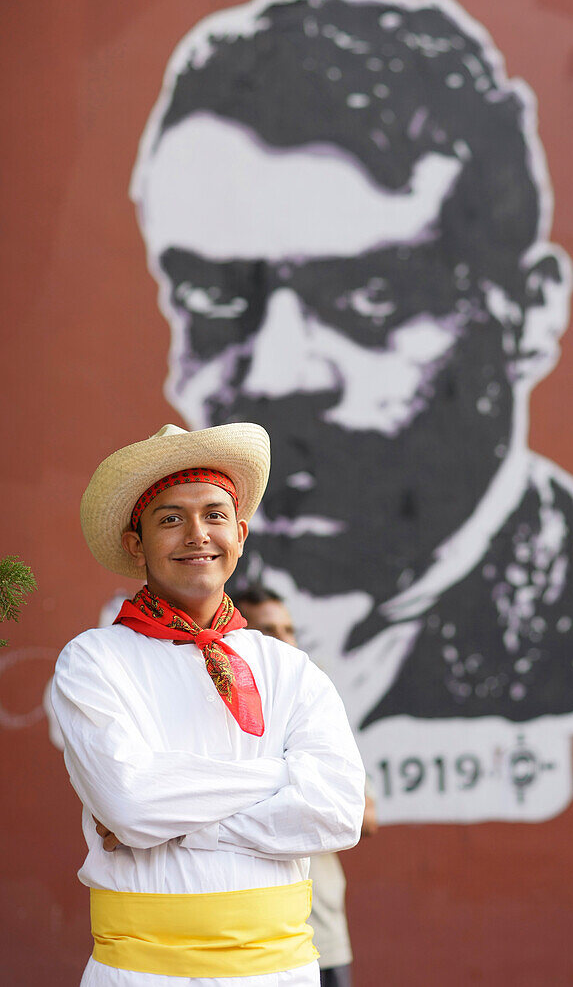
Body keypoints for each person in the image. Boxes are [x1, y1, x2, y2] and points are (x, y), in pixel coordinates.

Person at [130, 0, 573, 739]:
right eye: (213, 298)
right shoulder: (144, 633)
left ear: (528, 314)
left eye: (367, 300)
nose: (277, 374)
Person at [51, 422, 365, 986]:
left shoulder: (290, 668)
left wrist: (184, 826)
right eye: (170, 518)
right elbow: (130, 803)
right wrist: (280, 777)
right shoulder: (93, 660)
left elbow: (338, 812)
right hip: (142, 975)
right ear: (135, 543)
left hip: (281, 974)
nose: (198, 534)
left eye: (215, 516)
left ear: (240, 534)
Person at [236, 585, 378, 987]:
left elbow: (360, 816)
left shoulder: (313, 710)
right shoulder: (216, 710)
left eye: (289, 630)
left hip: (321, 933)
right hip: (243, 935)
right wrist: (295, 785)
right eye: (268, 631)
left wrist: (232, 794)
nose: (285, 643)